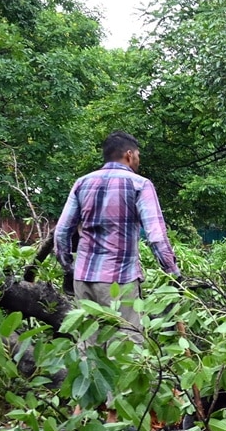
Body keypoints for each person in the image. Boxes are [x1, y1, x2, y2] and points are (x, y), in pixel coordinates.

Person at [53, 131, 180, 329]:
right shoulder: (140, 184)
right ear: (129, 155)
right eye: (137, 156)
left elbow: (61, 232)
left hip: (83, 279)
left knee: (90, 349)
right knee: (127, 348)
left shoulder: (82, 183)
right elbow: (156, 237)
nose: (138, 160)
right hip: (119, 280)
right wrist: (172, 271)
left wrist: (68, 267)